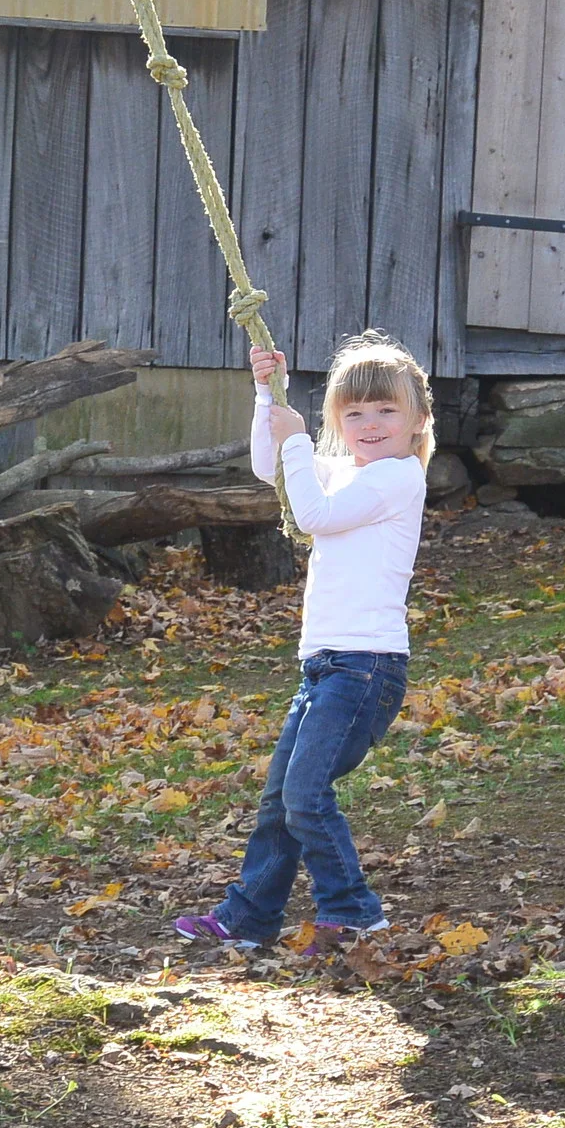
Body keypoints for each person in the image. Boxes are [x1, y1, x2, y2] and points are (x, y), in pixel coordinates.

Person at [174, 331, 433, 957]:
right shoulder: (348, 472)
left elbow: (311, 514)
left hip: (365, 669)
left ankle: (353, 914)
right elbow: (272, 470)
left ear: (418, 419)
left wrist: (294, 436)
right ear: (337, 421)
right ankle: (250, 918)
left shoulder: (397, 479)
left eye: (386, 411)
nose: (369, 424)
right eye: (353, 413)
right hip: (324, 667)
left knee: (305, 794)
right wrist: (266, 393)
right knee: (281, 799)